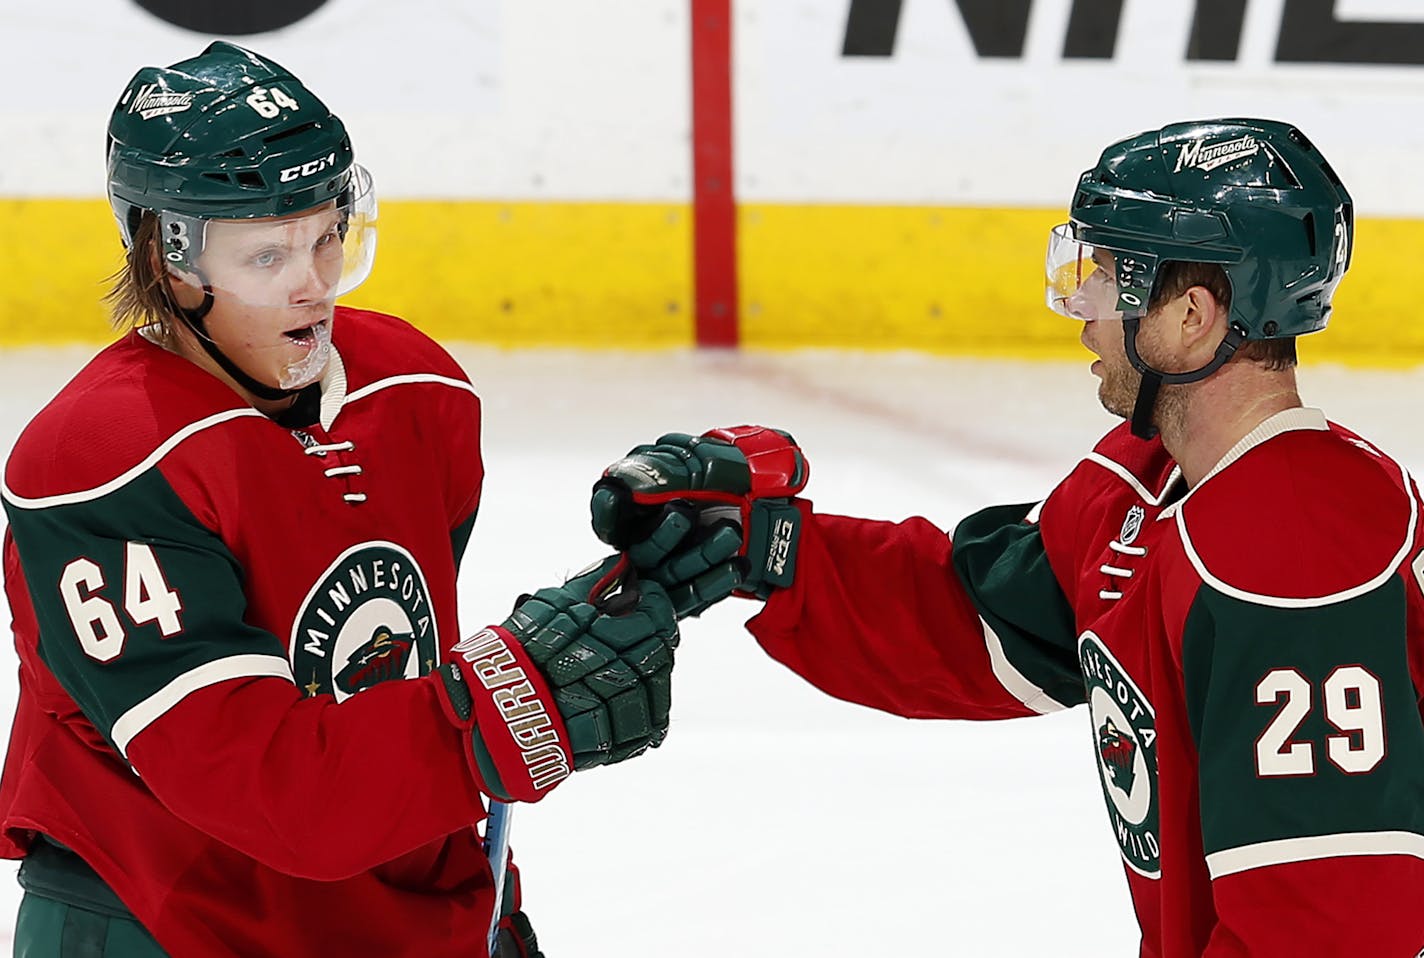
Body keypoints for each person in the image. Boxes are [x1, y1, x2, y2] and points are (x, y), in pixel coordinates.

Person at [590, 118, 1424, 955]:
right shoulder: (1145, 481)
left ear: (1194, 316)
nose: (1084, 312)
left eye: (1110, 278)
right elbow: (979, 620)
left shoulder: (1298, 554)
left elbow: (1332, 925)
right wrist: (759, 547)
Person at [0, 41, 680, 957]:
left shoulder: (417, 390)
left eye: (326, 235)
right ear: (169, 259)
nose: (312, 283)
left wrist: (657, 577)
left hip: (387, 908)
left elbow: (394, 683)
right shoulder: (102, 463)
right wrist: (506, 706)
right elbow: (270, 791)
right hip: (162, 920)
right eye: (267, 253)